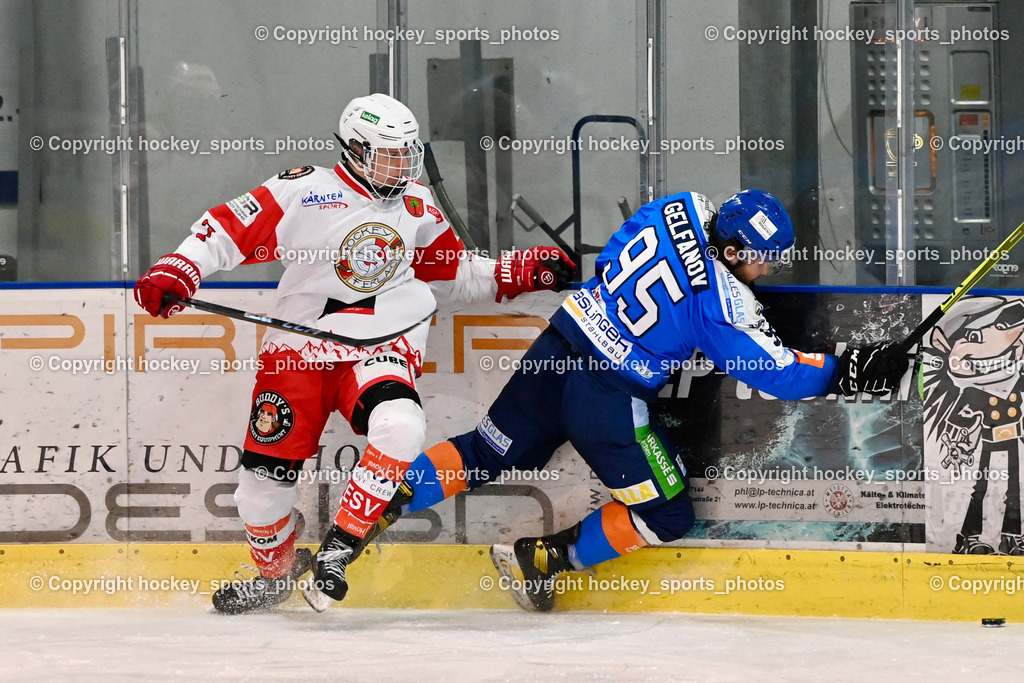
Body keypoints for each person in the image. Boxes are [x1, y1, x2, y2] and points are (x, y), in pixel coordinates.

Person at [309, 189, 909, 612]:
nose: (762, 270)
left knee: (483, 453)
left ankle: (368, 513)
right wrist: (850, 369)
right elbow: (776, 373)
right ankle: (539, 561)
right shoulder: (724, 303)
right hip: (607, 397)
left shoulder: (677, 207)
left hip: (555, 352)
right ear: (730, 250)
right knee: (668, 515)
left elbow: (616, 255)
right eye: (756, 258)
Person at [133, 93, 575, 614]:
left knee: (402, 426)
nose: (402, 165)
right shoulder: (303, 190)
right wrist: (177, 269)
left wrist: (518, 271)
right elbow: (224, 231)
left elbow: (453, 275)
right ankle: (275, 574)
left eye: (406, 153)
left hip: (378, 351)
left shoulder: (417, 207)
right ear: (354, 150)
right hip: (297, 355)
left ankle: (339, 550)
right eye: (389, 154)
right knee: (258, 494)